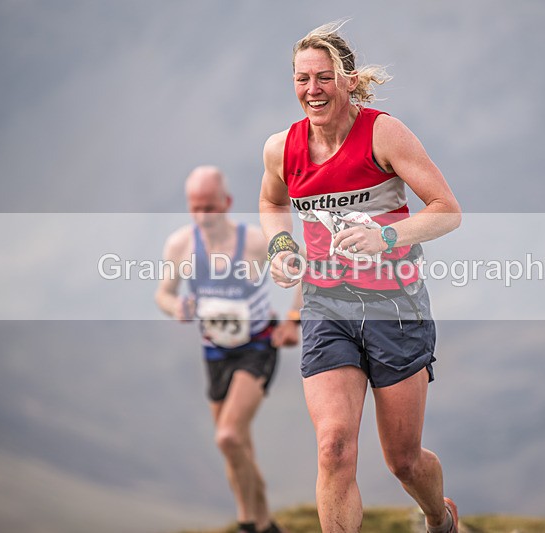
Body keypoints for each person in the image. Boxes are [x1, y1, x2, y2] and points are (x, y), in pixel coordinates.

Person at [259, 21, 462, 533]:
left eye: (324, 77)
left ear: (347, 80)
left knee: (404, 461)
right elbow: (271, 200)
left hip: (395, 309)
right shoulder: (282, 148)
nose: (313, 90)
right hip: (328, 307)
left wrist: (388, 237)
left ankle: (439, 518)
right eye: (302, 79)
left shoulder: (382, 132)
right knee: (333, 446)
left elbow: (446, 210)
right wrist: (282, 244)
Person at [156, 165, 301, 533]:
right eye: (196, 207)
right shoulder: (181, 245)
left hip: (256, 346)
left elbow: (306, 270)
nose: (203, 216)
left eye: (210, 207)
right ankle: (263, 523)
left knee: (228, 436)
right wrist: (178, 308)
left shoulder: (252, 242)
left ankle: (248, 523)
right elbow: (164, 293)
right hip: (215, 352)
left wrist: (292, 320)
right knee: (236, 448)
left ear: (228, 202)